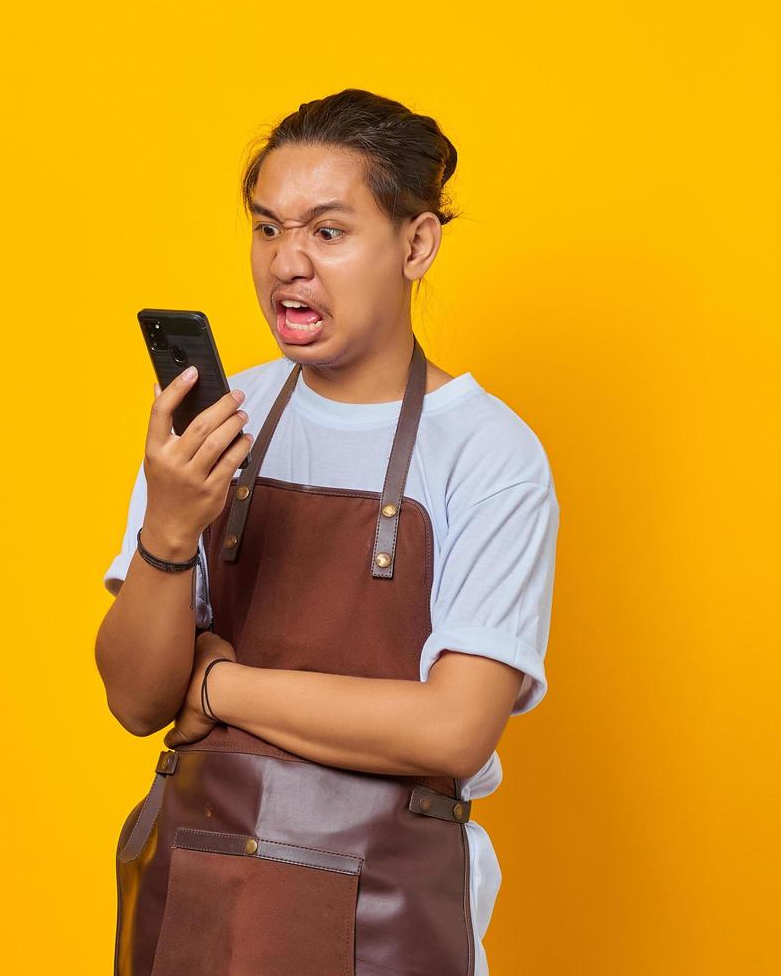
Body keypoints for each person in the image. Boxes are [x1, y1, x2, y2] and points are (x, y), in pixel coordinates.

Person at [96, 88, 561, 976]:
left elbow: (453, 731)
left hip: (387, 906)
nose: (287, 264)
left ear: (416, 244)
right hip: (198, 881)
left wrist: (222, 686)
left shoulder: (488, 452)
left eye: (328, 232)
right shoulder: (219, 421)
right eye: (268, 229)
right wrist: (168, 528)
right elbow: (135, 701)